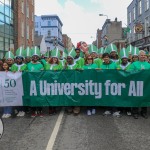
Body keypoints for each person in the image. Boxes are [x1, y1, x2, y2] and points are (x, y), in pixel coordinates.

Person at [129, 50, 150, 119]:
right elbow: (129, 72)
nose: (143, 56)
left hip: (146, 85)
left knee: (145, 98)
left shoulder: (148, 64)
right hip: (136, 84)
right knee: (136, 98)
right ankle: (135, 112)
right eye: (141, 55)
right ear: (138, 56)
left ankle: (144, 112)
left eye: (144, 55)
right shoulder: (134, 64)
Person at [100, 53, 121, 117]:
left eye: (107, 57)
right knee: (107, 96)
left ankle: (115, 110)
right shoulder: (101, 65)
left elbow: (119, 71)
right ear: (103, 58)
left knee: (113, 96)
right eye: (105, 57)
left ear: (109, 58)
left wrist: (118, 69)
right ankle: (108, 110)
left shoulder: (114, 64)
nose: (106, 58)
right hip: (105, 84)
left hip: (113, 83)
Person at [27, 46, 44, 117]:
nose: (35, 58)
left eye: (36, 57)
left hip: (39, 83)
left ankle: (40, 110)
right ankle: (33, 111)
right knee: (32, 97)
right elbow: (24, 72)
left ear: (38, 58)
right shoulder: (28, 65)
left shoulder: (40, 65)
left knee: (39, 97)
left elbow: (43, 74)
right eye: (34, 56)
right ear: (32, 57)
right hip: (31, 83)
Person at [44, 48, 62, 115]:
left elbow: (60, 72)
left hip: (55, 83)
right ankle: (50, 109)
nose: (55, 59)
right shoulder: (47, 65)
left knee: (54, 95)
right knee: (49, 95)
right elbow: (44, 72)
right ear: (51, 58)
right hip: (48, 83)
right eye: (54, 58)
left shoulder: (59, 65)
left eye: (56, 58)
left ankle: (54, 108)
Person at [11, 47, 27, 117]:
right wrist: (13, 72)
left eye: (20, 58)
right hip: (15, 83)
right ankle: (18, 109)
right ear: (16, 59)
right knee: (16, 96)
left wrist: (23, 71)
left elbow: (26, 72)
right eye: (18, 58)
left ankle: (23, 110)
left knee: (22, 96)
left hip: (22, 83)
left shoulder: (25, 65)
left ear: (22, 59)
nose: (19, 59)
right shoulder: (13, 66)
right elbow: (11, 73)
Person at [64, 48, 81, 115]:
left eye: (70, 58)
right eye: (68, 58)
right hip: (68, 83)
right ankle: (69, 107)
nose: (69, 59)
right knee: (68, 95)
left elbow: (81, 71)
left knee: (76, 95)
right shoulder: (66, 66)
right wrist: (64, 67)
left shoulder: (76, 65)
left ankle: (77, 107)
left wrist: (79, 69)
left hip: (76, 83)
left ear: (73, 59)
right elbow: (63, 74)